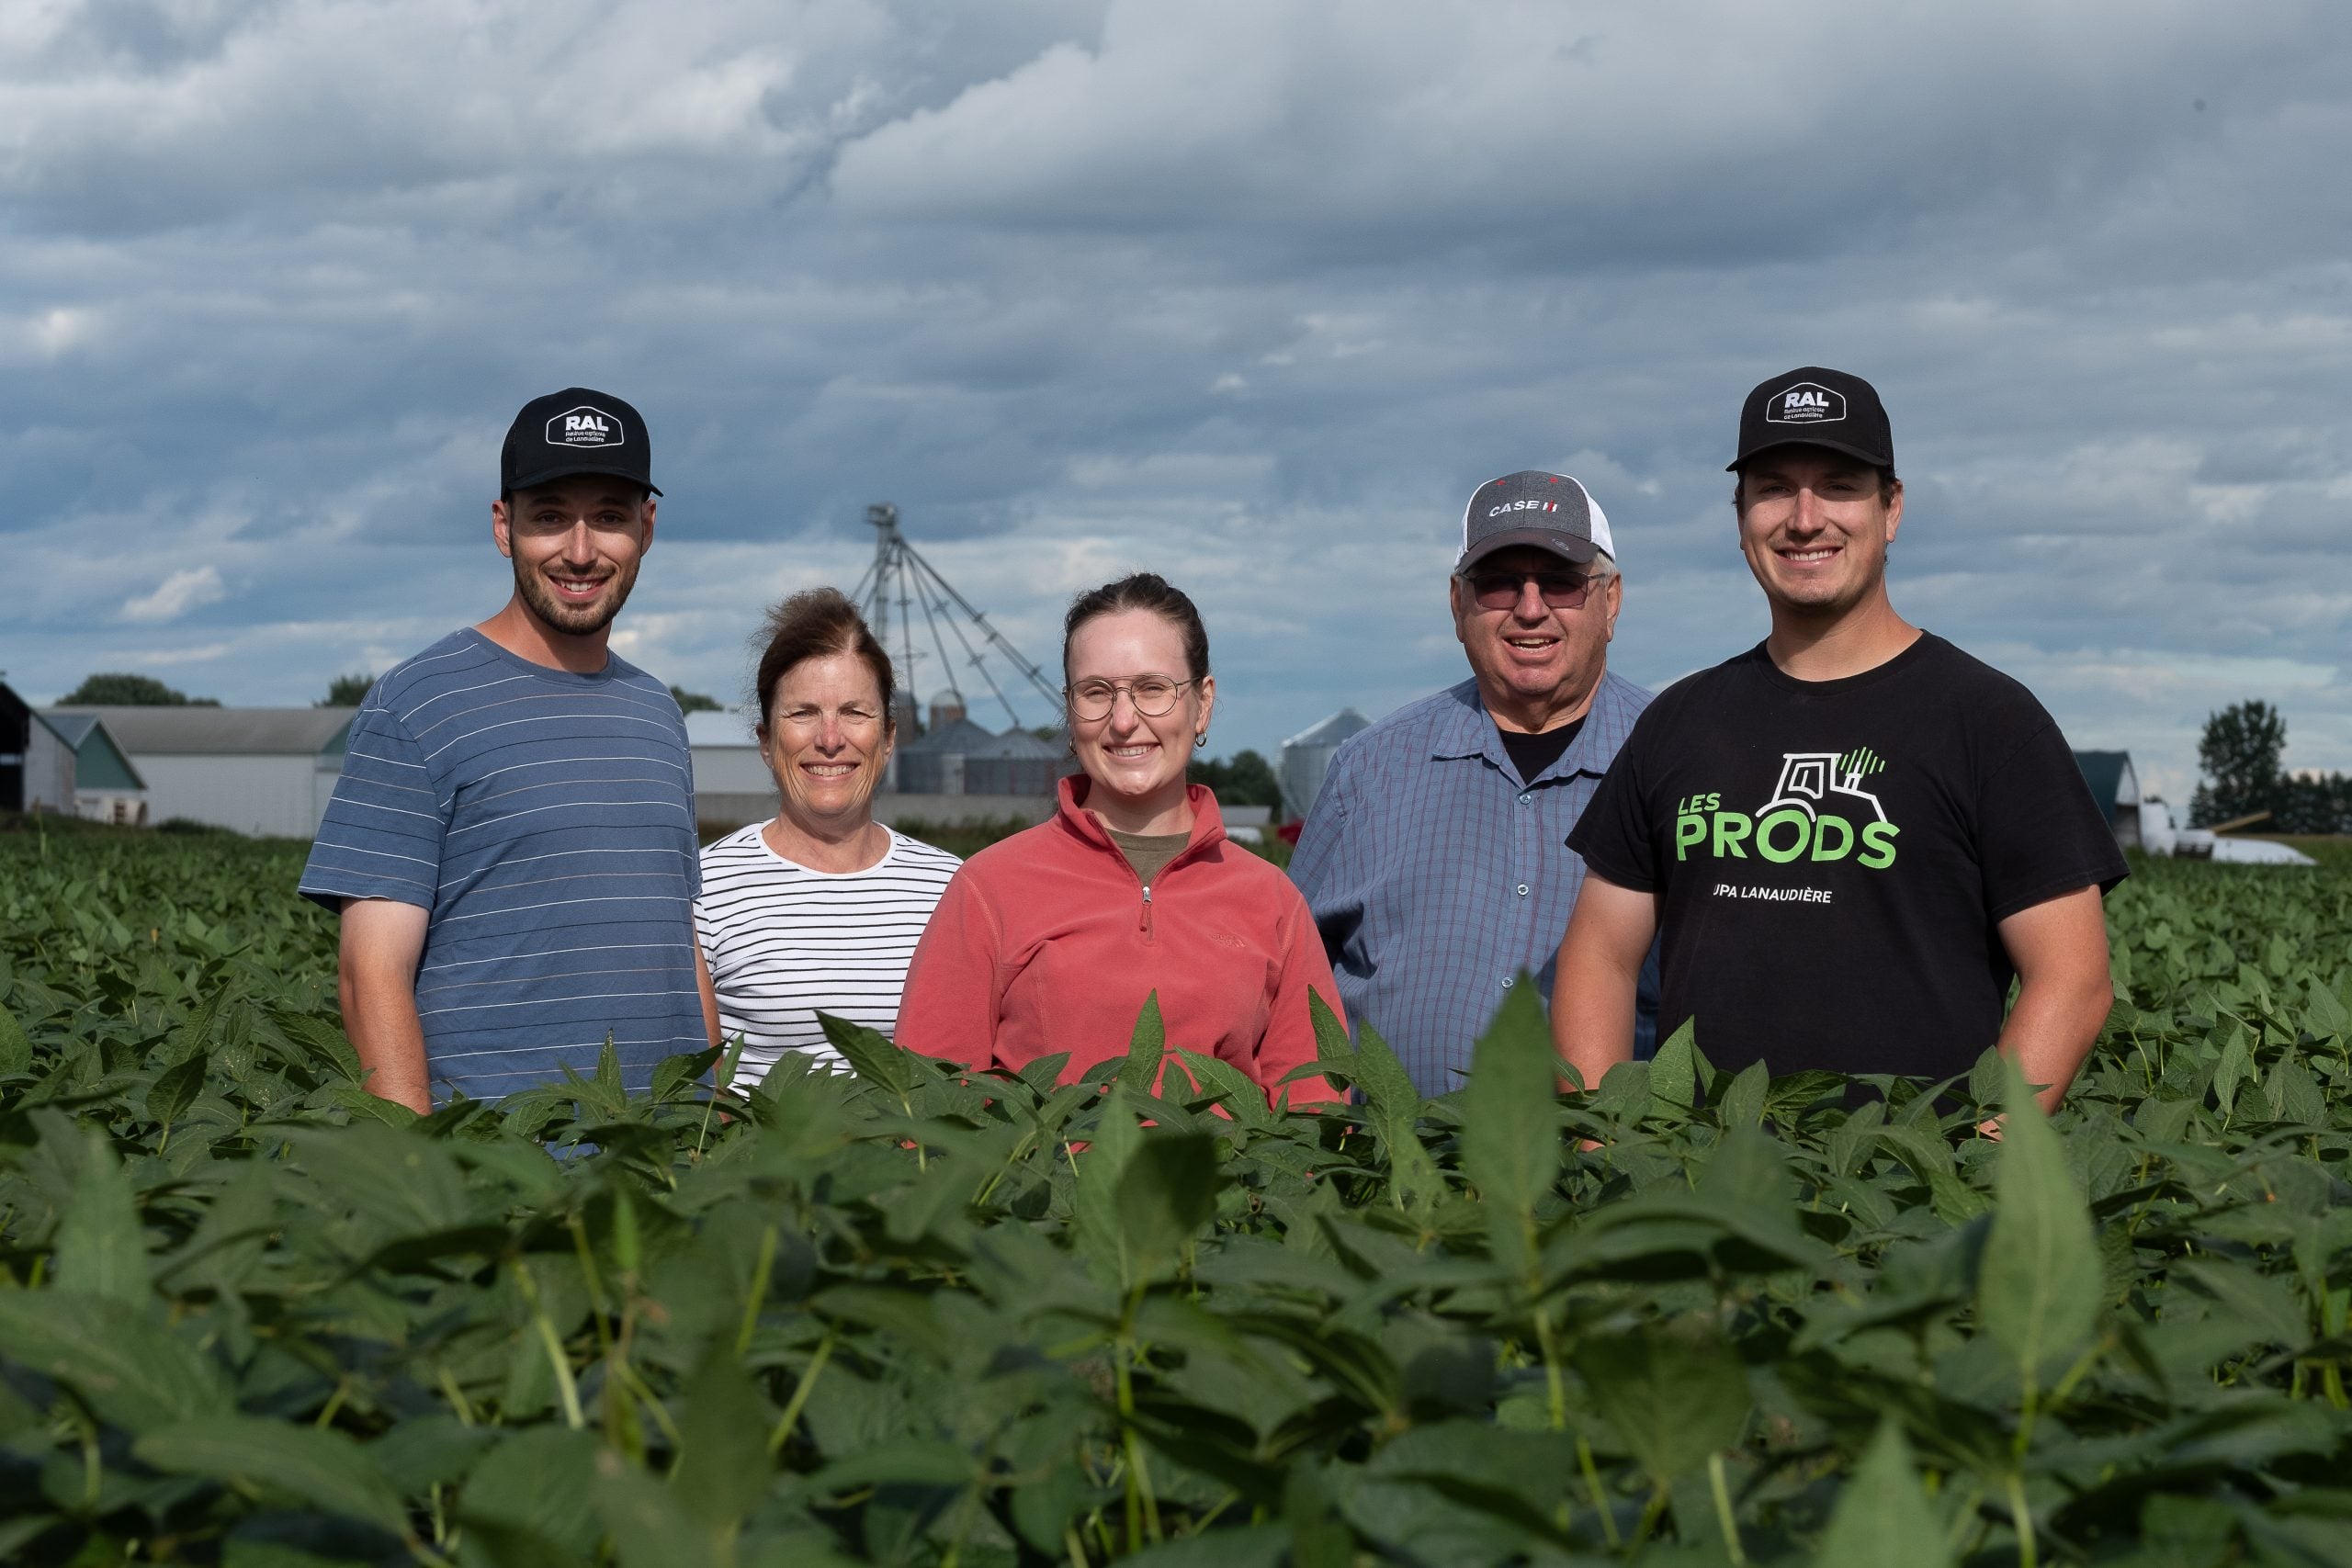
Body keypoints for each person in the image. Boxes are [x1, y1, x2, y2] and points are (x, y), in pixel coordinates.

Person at [1554, 367, 2127, 1111]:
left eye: (1838, 484)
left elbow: (2075, 981)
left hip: (1908, 1202)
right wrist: (1608, 1149)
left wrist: (1978, 1169)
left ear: (1891, 509)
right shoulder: (1680, 721)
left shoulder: (1990, 721)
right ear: (1740, 515)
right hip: (1698, 1193)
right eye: (1773, 487)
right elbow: (1599, 954)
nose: (1804, 516)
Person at [299, 388, 717, 1111]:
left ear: (646, 529)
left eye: (610, 518)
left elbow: (680, 947)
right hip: (502, 1171)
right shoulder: (417, 704)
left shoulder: (658, 714)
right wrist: (420, 1174)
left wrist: (713, 1123)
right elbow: (370, 974)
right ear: (503, 525)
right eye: (550, 516)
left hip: (665, 1165)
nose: (580, 552)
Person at [897, 573, 1341, 1108]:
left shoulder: (1272, 901)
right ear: (1069, 709)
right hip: (1052, 1185)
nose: (1124, 721)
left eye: (1153, 689)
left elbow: (1315, 1110)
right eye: (1096, 693)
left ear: (1201, 704)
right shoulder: (988, 889)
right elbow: (931, 1103)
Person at [1289, 471, 1655, 1097]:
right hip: (1392, 1180)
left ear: (1611, 599)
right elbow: (1290, 972)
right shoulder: (1370, 768)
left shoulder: (1673, 759)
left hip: (1610, 1179)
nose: (1530, 607)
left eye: (1561, 581)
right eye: (1498, 583)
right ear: (1458, 604)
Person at [695, 589, 960, 1088]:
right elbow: (698, 1094)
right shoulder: (704, 889)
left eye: (856, 713)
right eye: (803, 713)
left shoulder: (953, 887)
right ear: (767, 743)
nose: (831, 738)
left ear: (888, 739)